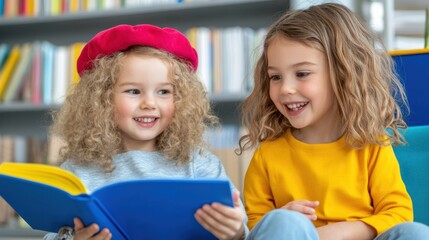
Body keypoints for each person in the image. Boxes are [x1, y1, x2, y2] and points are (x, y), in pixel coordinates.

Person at [237, 3, 429, 240]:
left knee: (417, 233)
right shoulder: (267, 154)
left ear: (342, 75)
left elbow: (399, 214)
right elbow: (253, 227)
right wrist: (279, 219)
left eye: (302, 74)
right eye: (275, 77)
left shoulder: (372, 144)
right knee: (281, 221)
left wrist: (334, 233)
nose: (285, 88)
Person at [43, 24, 247, 240]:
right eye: (133, 91)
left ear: (181, 99)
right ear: (101, 100)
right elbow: (52, 234)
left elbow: (240, 227)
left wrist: (236, 232)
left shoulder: (200, 165)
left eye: (163, 91)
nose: (149, 103)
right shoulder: (76, 173)